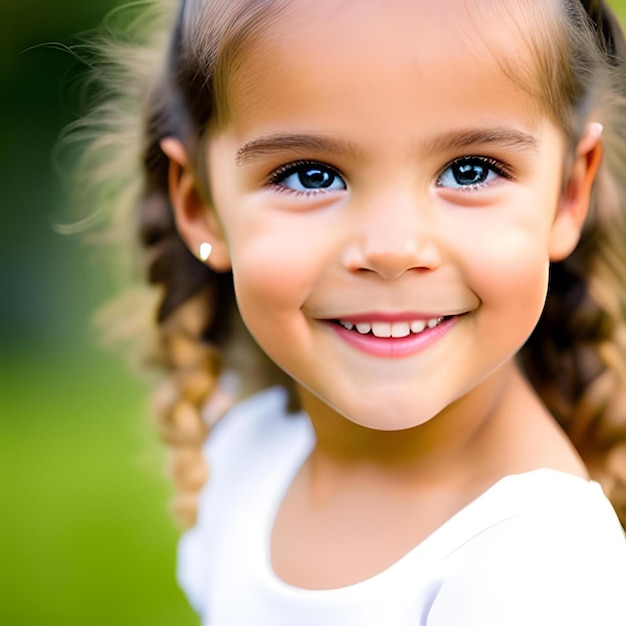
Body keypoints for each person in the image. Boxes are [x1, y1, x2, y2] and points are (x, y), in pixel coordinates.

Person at [76, 0, 626, 623]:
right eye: (312, 176)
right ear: (202, 205)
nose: (392, 249)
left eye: (470, 170)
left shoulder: (537, 567)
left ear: (567, 195)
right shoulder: (251, 453)